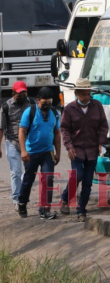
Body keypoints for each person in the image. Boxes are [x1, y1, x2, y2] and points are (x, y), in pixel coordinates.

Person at [59, 78, 108, 221]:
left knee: (87, 182)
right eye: (83, 94)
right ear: (77, 94)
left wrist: (101, 143)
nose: (87, 97)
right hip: (77, 150)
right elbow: (65, 129)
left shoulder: (97, 106)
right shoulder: (69, 109)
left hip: (93, 150)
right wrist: (69, 146)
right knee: (77, 176)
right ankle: (66, 199)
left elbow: (103, 126)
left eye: (88, 94)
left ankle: (81, 210)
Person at [17, 87, 61, 219]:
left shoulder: (54, 112)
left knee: (48, 179)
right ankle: (22, 202)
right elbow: (21, 132)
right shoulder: (29, 112)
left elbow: (57, 133)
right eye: (44, 103)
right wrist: (23, 151)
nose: (47, 105)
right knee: (28, 180)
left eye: (49, 102)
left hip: (48, 152)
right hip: (31, 153)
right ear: (37, 101)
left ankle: (45, 209)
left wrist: (58, 152)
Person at [0, 81, 34, 212]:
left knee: (28, 172)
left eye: (24, 93)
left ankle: (23, 196)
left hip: (28, 142)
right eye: (19, 93)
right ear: (13, 93)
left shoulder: (31, 104)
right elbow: (1, 128)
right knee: (15, 172)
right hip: (13, 142)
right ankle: (17, 199)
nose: (22, 96)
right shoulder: (6, 107)